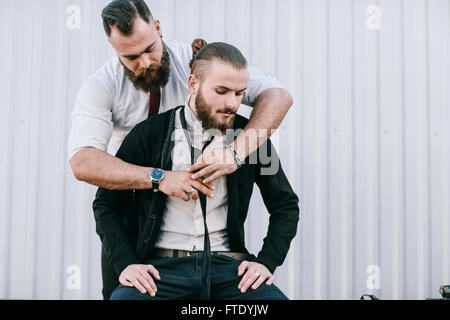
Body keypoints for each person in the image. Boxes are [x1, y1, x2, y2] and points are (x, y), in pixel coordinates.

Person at [68, 0, 294, 299]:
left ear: (158, 29)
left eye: (149, 48)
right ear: (113, 48)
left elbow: (278, 97)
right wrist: (162, 178)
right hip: (137, 221)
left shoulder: (205, 63)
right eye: (131, 56)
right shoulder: (103, 87)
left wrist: (235, 154)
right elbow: (84, 164)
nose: (145, 62)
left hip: (222, 259)